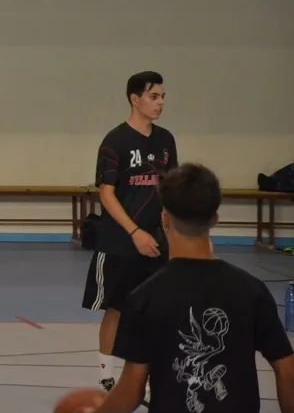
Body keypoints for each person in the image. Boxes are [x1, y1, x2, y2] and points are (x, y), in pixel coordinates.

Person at [87, 163, 294, 413]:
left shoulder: (144, 298)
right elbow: (287, 370)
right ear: (215, 219)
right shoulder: (252, 291)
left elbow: (131, 390)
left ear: (165, 219)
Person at [81, 71, 179, 391]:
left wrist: (169, 228)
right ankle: (106, 376)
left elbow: (170, 187)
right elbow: (106, 194)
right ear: (135, 99)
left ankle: (144, 375)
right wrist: (135, 232)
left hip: (157, 241)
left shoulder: (166, 140)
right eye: (154, 96)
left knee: (154, 311)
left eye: (162, 97)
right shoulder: (115, 141)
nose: (160, 102)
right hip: (120, 241)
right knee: (117, 309)